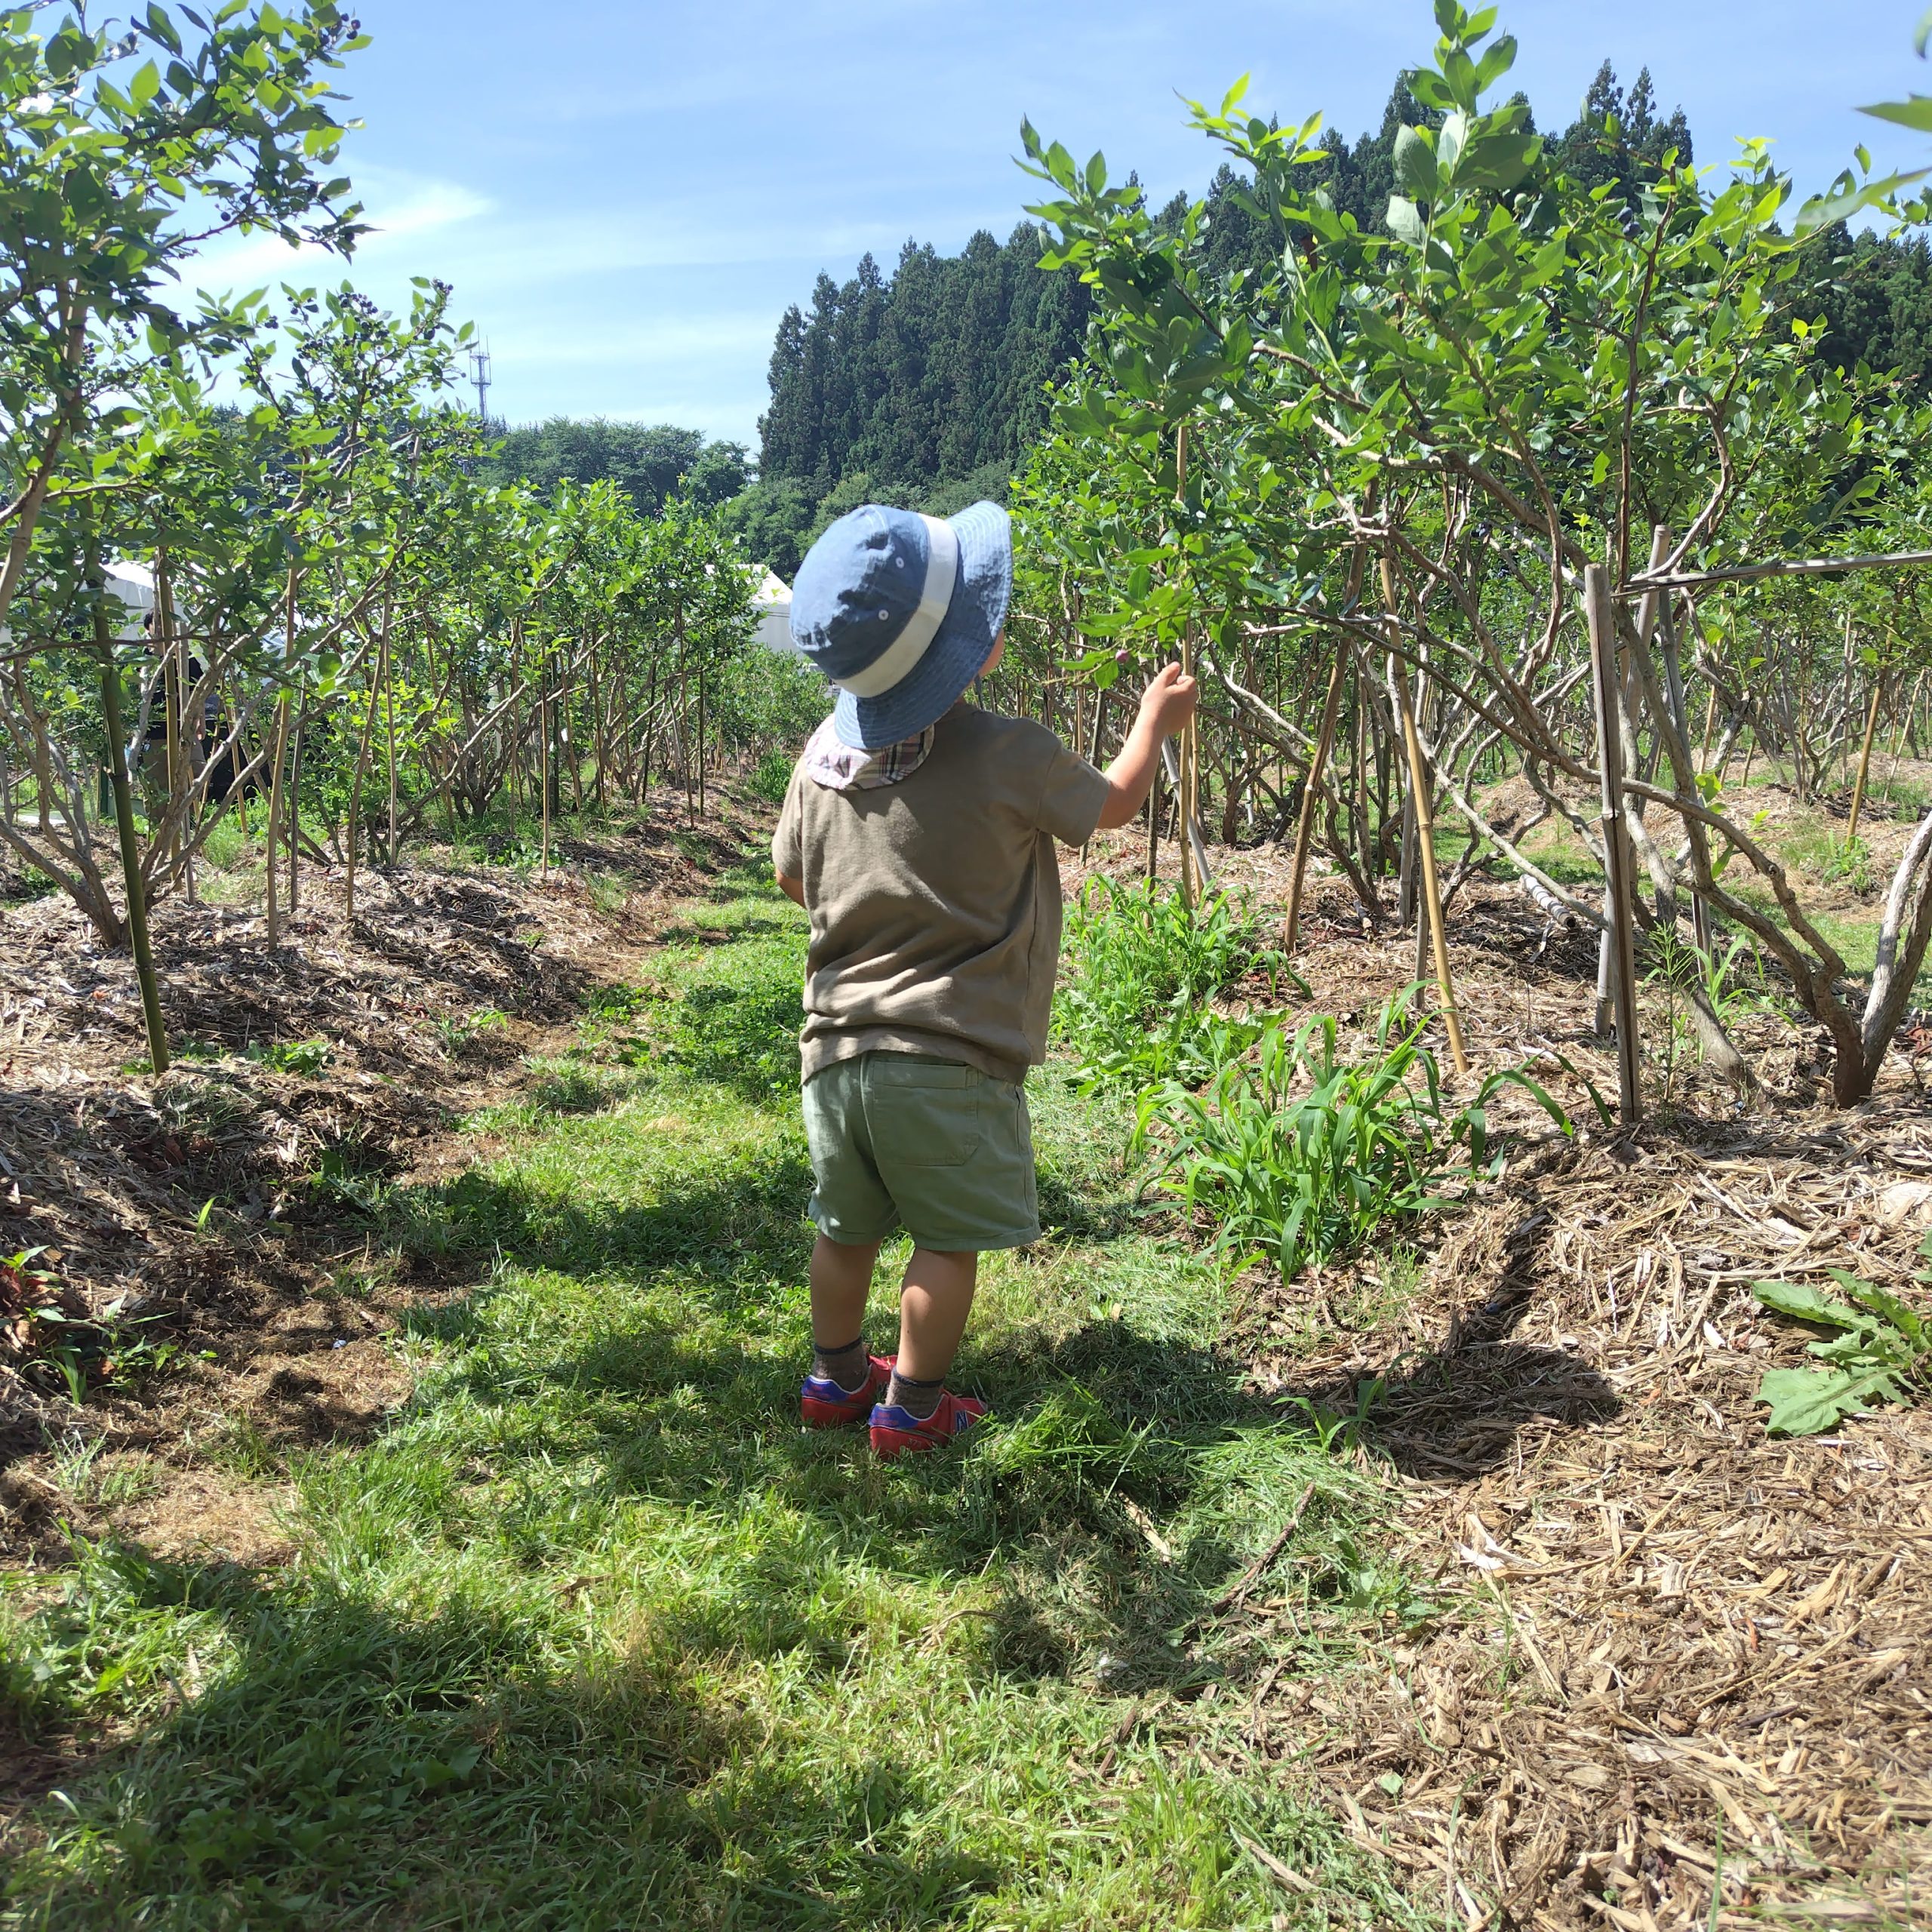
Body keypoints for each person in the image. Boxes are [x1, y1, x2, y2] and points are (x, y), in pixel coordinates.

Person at [771, 500, 1198, 1458]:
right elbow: (1115, 807)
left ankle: (834, 1379)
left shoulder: (821, 757)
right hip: (951, 1053)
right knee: (942, 1240)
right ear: (972, 650)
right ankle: (915, 1407)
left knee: (843, 1227)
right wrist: (1153, 721)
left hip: (834, 1053)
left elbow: (790, 876)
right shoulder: (1013, 751)